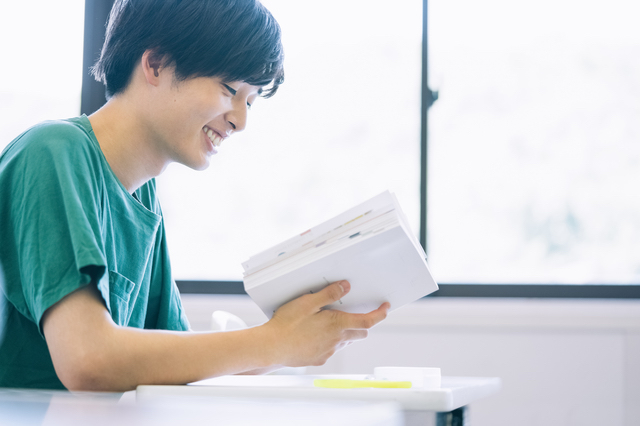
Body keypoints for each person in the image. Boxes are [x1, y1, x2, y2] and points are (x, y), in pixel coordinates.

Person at [0, 0, 389, 391]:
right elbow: (89, 360)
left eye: (250, 101)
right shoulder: (53, 152)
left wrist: (295, 335)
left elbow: (171, 361)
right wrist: (273, 341)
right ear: (155, 64)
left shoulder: (141, 194)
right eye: (229, 90)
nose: (240, 120)